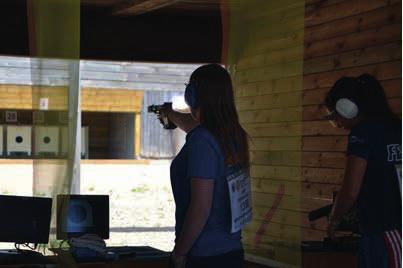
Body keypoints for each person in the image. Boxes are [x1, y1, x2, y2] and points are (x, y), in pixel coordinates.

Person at [160, 63, 251, 268]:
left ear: (192, 95)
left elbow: (200, 208)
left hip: (204, 256)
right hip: (231, 252)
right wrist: (169, 113)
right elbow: (194, 125)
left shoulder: (202, 140)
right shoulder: (233, 134)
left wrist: (180, 253)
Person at [324, 74, 402, 268]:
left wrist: (334, 220)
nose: (336, 123)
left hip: (384, 232)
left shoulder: (362, 133)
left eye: (335, 115)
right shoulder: (396, 127)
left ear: (346, 108)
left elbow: (350, 191)